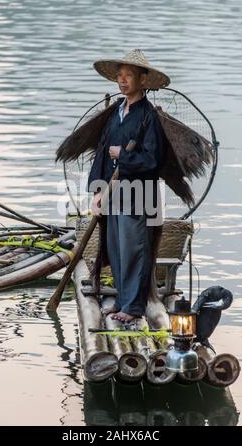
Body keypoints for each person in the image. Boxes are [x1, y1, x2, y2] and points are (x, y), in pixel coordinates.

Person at [87, 49, 170, 322]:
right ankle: (121, 300)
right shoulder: (116, 113)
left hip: (139, 195)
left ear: (143, 80)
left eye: (129, 76)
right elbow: (101, 152)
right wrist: (97, 192)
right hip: (113, 194)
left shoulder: (149, 117)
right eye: (120, 76)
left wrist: (122, 155)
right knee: (117, 250)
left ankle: (133, 308)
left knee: (134, 250)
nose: (122, 81)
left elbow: (152, 160)